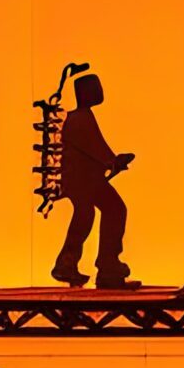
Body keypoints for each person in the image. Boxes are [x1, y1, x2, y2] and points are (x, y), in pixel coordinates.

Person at [51, 73, 137, 289]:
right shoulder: (80, 119)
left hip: (86, 179)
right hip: (82, 180)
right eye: (95, 88)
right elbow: (95, 148)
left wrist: (113, 161)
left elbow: (96, 148)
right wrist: (112, 161)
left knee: (92, 213)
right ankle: (105, 265)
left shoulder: (83, 116)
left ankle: (77, 264)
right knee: (109, 210)